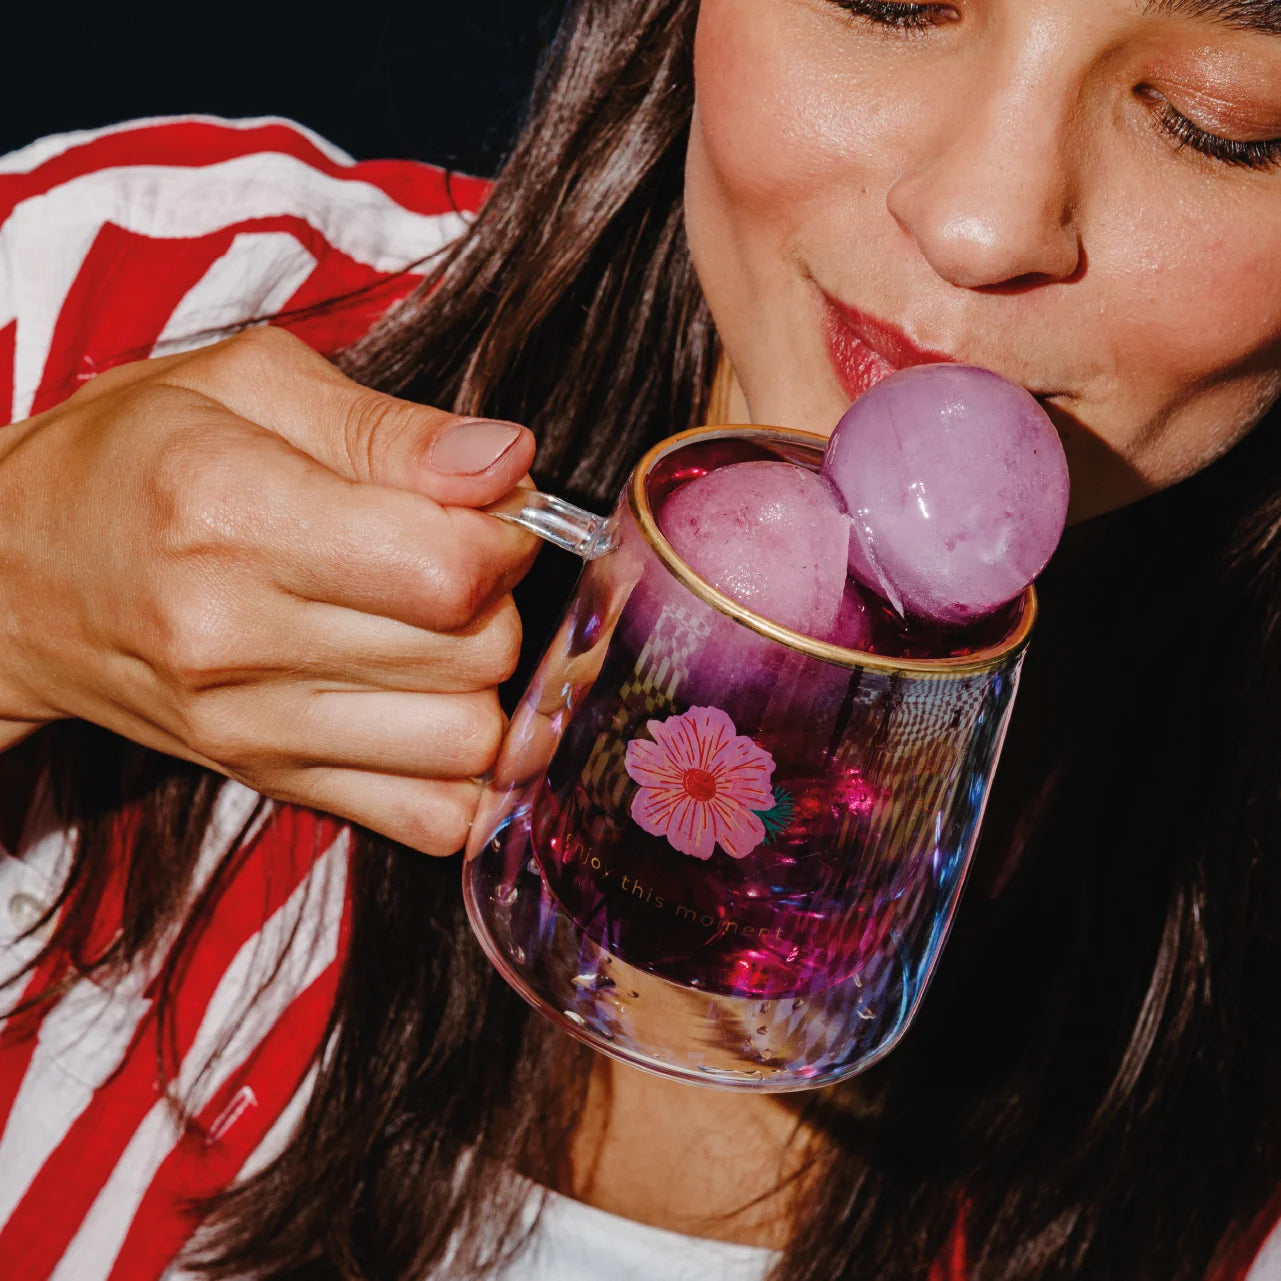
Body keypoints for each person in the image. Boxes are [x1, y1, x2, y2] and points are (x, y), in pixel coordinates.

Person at [1, 0, 1279, 1277]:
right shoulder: (135, 302)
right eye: (890, 1)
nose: (980, 223)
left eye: (1216, 126)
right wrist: (21, 606)